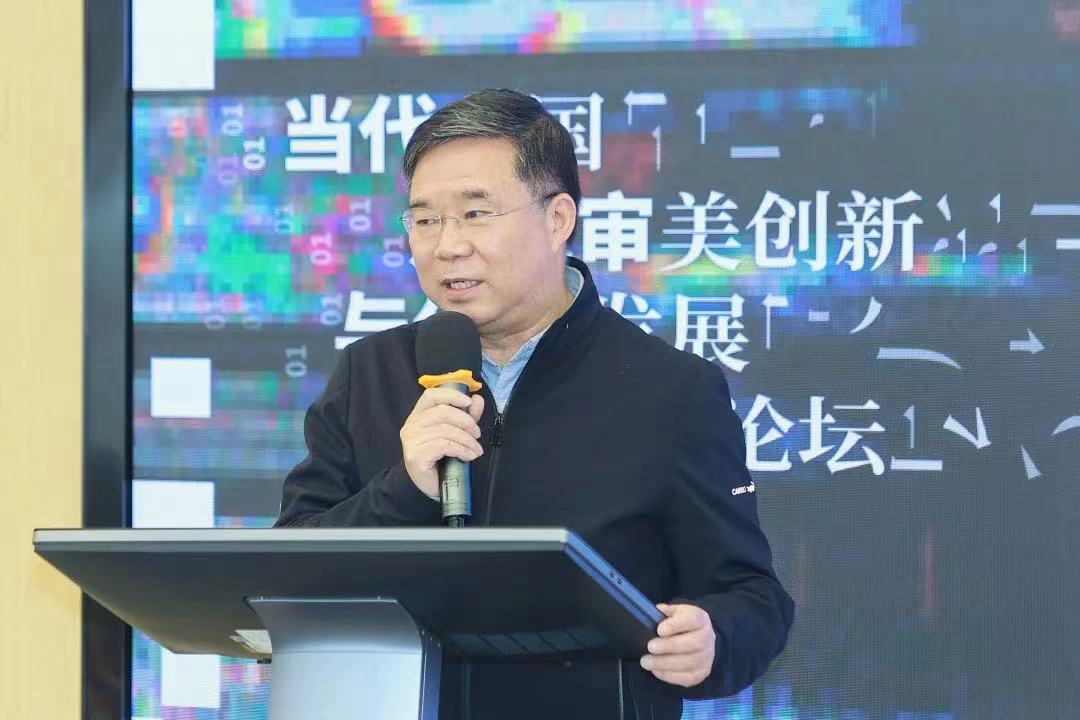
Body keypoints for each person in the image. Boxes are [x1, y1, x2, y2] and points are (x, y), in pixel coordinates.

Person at [275, 88, 793, 719]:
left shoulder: (672, 390)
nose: (447, 246)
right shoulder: (368, 372)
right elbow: (287, 573)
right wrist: (405, 491)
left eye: (475, 213)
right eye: (425, 220)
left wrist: (715, 637)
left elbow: (751, 597)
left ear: (558, 219)